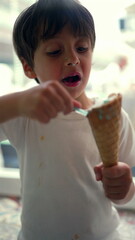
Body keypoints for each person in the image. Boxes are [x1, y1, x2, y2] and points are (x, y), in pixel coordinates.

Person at [0, 0, 135, 239]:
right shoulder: (25, 116)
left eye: (82, 48)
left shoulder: (115, 118)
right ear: (28, 67)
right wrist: (18, 103)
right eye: (55, 51)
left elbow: (123, 192)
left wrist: (125, 187)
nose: (72, 58)